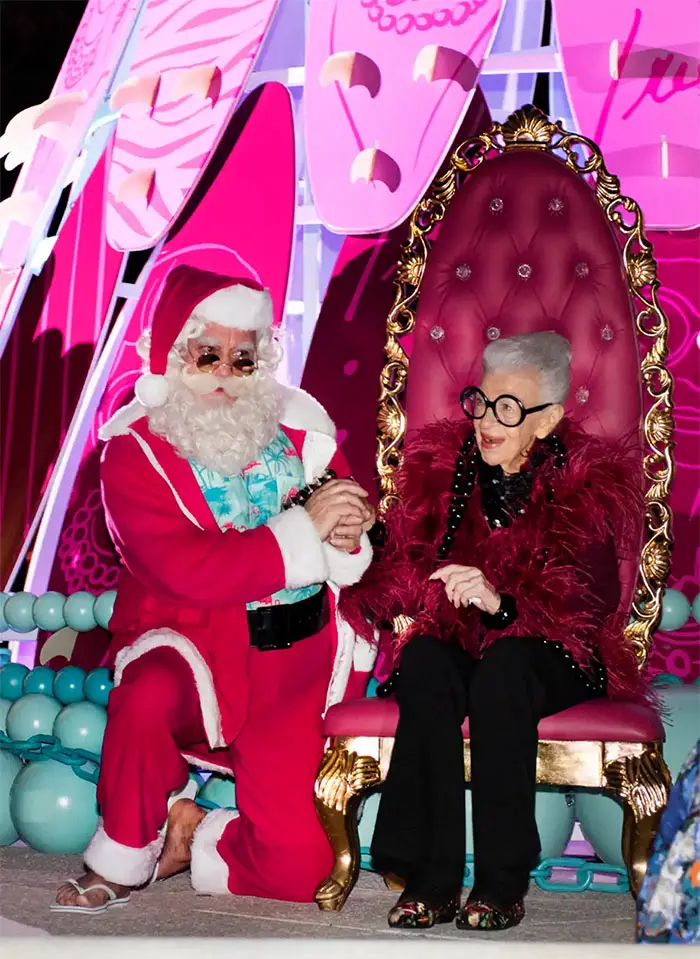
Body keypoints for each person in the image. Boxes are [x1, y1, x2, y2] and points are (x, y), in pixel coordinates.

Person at [53, 263, 376, 913]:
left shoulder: (302, 435)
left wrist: (348, 531)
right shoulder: (132, 451)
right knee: (145, 695)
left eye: (243, 356)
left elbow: (346, 533)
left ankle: (196, 832)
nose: (227, 371)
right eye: (209, 353)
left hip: (293, 662)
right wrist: (302, 531)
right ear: (176, 351)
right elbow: (188, 568)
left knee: (305, 869)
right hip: (192, 641)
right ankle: (122, 849)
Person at [339, 331, 647, 931]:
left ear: (549, 418)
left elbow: (590, 602)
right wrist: (366, 540)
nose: (487, 421)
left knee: (505, 672)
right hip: (465, 645)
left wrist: (502, 604)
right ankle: (435, 877)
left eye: (509, 408)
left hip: (554, 652)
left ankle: (502, 883)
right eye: (481, 401)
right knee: (425, 658)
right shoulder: (445, 469)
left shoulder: (586, 482)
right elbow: (403, 567)